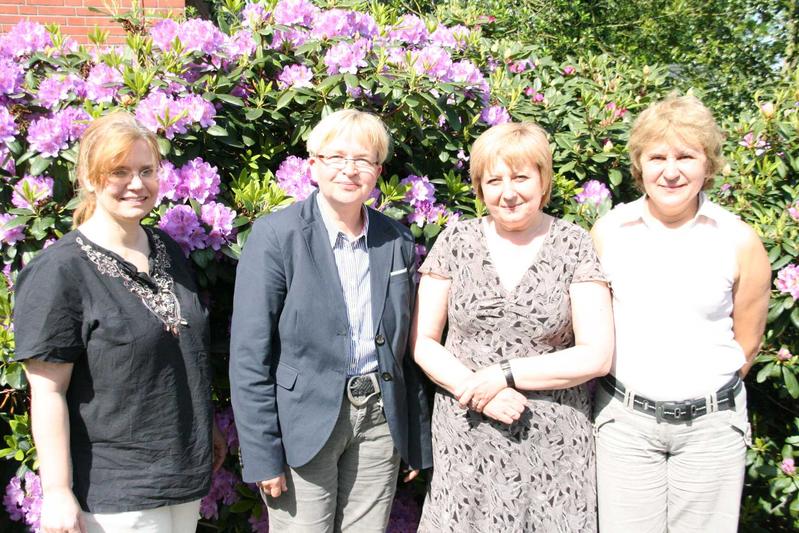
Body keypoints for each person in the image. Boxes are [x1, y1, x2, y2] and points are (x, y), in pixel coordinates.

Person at [13, 112, 225, 533]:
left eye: (147, 171)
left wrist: (207, 428)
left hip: (184, 478)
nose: (137, 184)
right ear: (90, 179)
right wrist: (57, 491)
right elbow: (48, 390)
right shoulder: (60, 271)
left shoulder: (166, 248)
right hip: (116, 493)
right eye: (120, 172)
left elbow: (180, 353)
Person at [229, 109, 432, 532]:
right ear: (313, 164)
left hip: (379, 419)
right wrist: (263, 452)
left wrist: (414, 437)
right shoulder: (276, 236)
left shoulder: (395, 239)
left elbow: (403, 349)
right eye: (336, 156)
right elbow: (250, 354)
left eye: (363, 159)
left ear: (377, 171)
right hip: (302, 421)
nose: (349, 169)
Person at [412, 121, 614, 532]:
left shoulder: (574, 244)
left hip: (553, 440)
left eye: (521, 177)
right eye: (494, 180)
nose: (508, 192)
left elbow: (598, 354)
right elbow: (423, 341)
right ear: (479, 187)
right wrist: (479, 393)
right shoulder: (455, 241)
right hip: (466, 434)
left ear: (544, 181)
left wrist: (504, 375)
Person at [591, 94, 771, 532]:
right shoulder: (608, 232)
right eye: (657, 157)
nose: (670, 171)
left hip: (711, 430)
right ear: (639, 165)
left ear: (707, 165)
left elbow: (747, 343)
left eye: (686, 156)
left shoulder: (740, 240)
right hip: (625, 426)